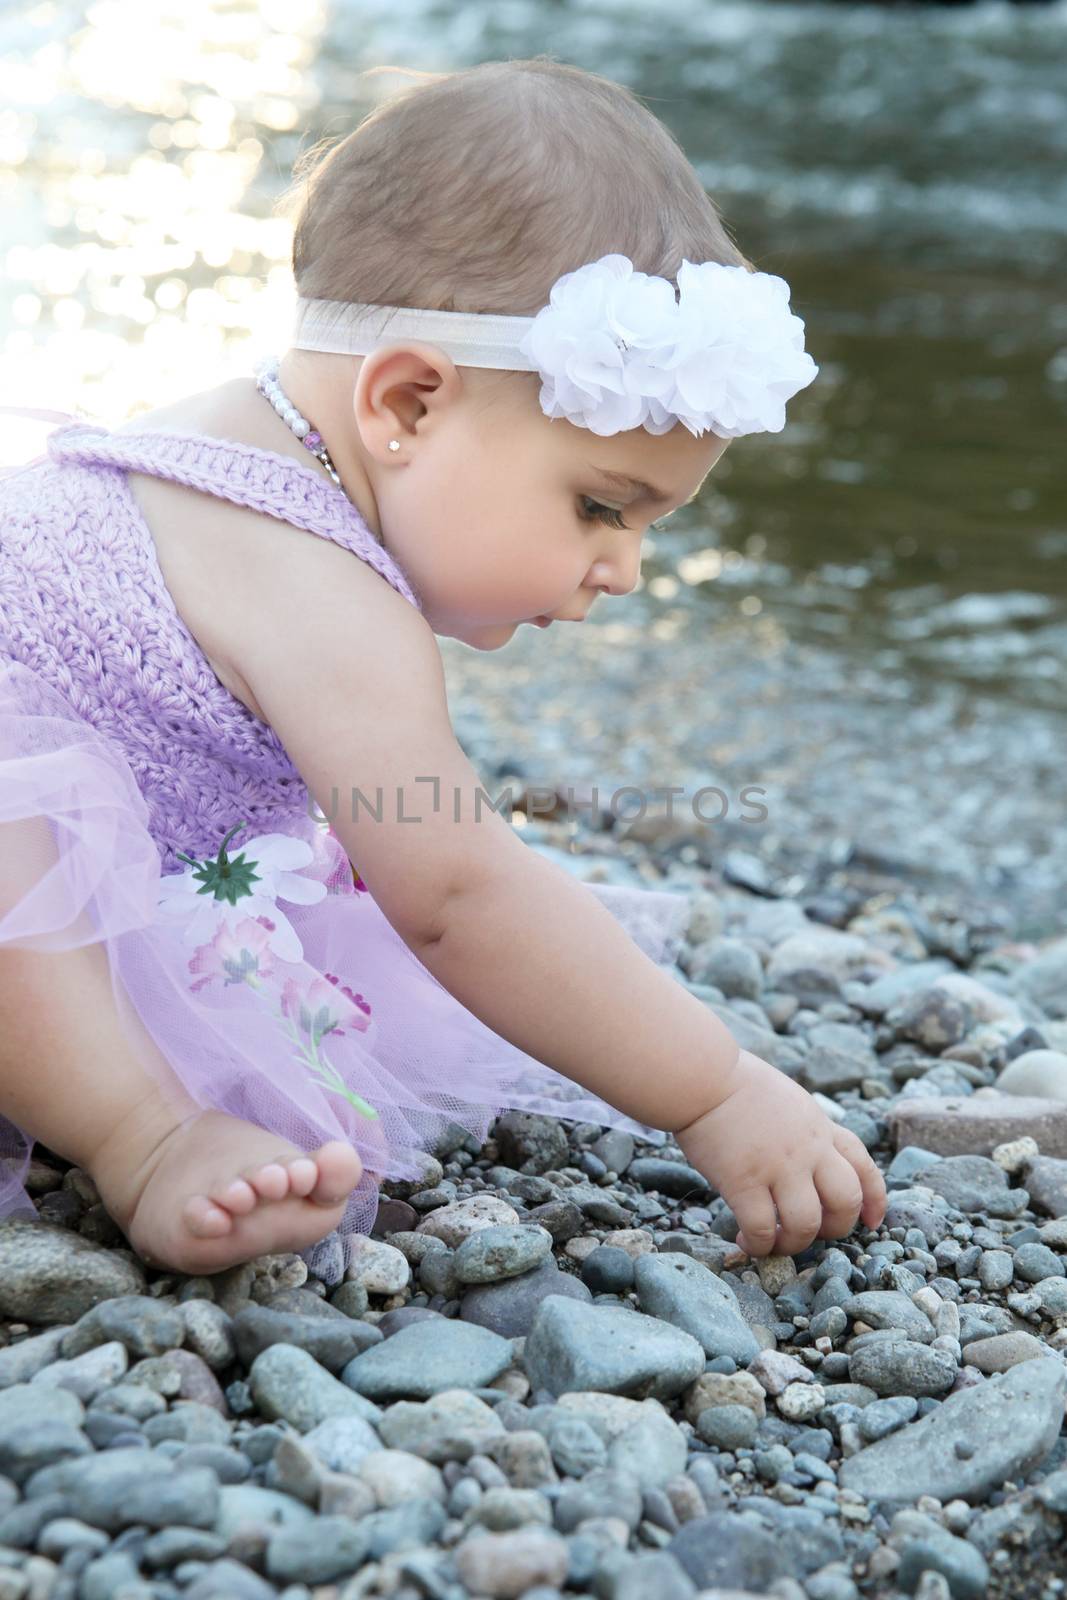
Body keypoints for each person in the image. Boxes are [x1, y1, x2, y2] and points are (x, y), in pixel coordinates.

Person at [0, 57, 886, 1283]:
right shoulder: (316, 582)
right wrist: (713, 1087)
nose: (620, 569)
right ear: (407, 402)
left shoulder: (233, 434)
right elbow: (455, 892)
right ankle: (143, 1136)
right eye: (599, 506)